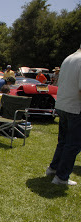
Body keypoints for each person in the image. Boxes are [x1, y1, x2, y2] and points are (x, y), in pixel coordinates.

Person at [46, 44, 81, 185]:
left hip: (62, 104)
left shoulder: (68, 58)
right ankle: (61, 177)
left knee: (63, 141)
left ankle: (53, 168)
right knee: (73, 144)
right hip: (75, 107)